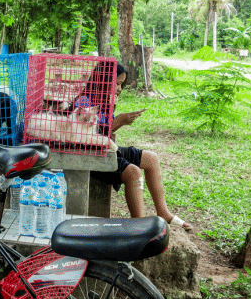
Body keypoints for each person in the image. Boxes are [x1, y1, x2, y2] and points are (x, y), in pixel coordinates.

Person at [76, 62, 193, 231]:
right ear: (102, 81)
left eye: (121, 85)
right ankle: (140, 229)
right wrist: (120, 121)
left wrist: (114, 112)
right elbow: (89, 138)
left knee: (151, 159)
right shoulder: (84, 102)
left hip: (106, 149)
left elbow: (106, 133)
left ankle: (164, 213)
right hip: (89, 155)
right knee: (133, 173)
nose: (119, 89)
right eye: (116, 84)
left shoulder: (104, 99)